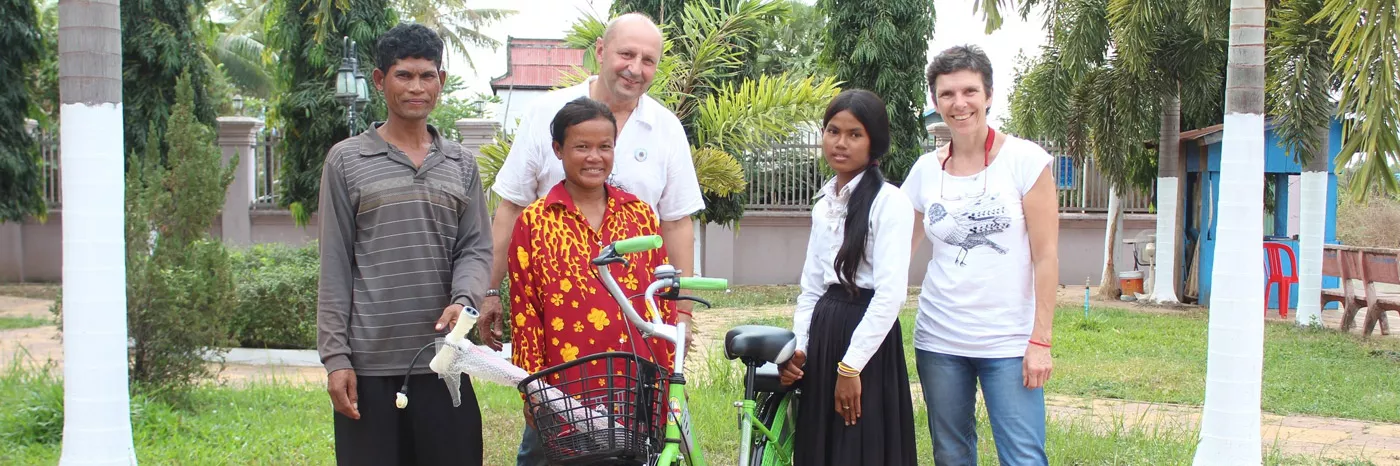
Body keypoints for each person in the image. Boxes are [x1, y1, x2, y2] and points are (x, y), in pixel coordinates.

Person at [316, 23, 491, 466]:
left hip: (445, 360)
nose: (416, 87)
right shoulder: (346, 160)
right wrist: (336, 358)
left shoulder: (461, 163)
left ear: (441, 81)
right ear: (380, 80)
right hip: (369, 367)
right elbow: (334, 264)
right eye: (404, 75)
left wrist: (464, 300)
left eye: (427, 75)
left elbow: (474, 248)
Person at [479, 12, 704, 352]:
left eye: (648, 61)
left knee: (639, 385)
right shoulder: (546, 113)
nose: (635, 69)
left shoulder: (666, 128)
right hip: (557, 312)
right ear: (600, 51)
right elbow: (511, 207)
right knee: (556, 387)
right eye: (626, 54)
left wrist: (682, 313)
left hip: (637, 313)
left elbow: (676, 223)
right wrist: (490, 291)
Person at [902, 45, 1059, 466]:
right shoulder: (924, 171)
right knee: (951, 455)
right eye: (947, 94)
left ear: (988, 95)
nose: (959, 103)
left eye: (969, 91)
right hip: (939, 340)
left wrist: (1040, 340)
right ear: (935, 101)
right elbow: (898, 253)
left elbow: (1046, 257)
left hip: (1009, 342)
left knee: (1024, 457)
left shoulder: (1025, 161)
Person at [509, 97, 679, 465]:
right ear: (558, 149)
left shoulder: (639, 215)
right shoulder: (535, 223)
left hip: (634, 379)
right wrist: (532, 391)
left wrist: (665, 376)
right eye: (581, 147)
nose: (594, 157)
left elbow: (660, 300)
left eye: (605, 147)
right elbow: (525, 315)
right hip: (566, 385)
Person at [777, 89, 918, 466]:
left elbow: (890, 295)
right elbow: (811, 289)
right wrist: (800, 349)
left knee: (861, 445)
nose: (840, 143)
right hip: (825, 331)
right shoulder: (824, 205)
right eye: (833, 131)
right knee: (821, 445)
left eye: (854, 134)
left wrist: (851, 366)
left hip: (866, 340)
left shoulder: (891, 202)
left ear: (875, 142)